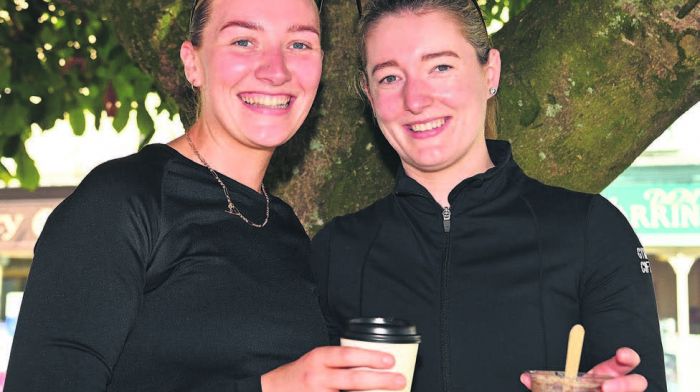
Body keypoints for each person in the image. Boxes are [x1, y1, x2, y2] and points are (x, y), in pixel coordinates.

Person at [4, 0, 407, 391]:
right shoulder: (122, 202)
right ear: (192, 63)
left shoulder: (285, 226)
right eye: (243, 41)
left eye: (299, 43)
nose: (275, 70)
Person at [309, 0, 667, 391]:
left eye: (440, 67)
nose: (415, 100)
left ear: (490, 72)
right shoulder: (335, 252)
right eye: (390, 77)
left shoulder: (592, 232)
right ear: (369, 93)